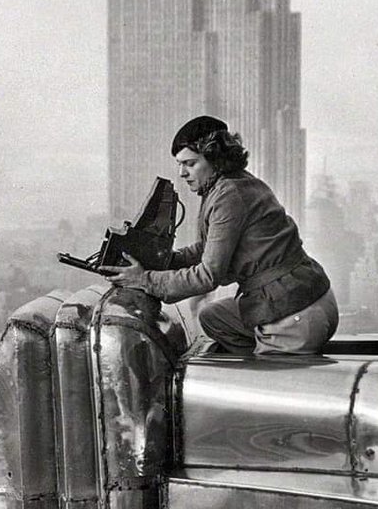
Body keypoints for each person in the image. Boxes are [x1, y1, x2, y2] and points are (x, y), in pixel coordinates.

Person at [100, 115, 338, 355]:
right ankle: (260, 352)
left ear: (214, 159)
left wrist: (145, 280)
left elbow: (208, 276)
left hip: (296, 313)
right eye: (180, 164)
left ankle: (267, 356)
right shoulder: (234, 184)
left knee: (260, 386)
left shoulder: (228, 195)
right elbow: (208, 248)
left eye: (190, 164)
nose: (182, 173)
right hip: (310, 298)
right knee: (212, 317)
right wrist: (165, 261)